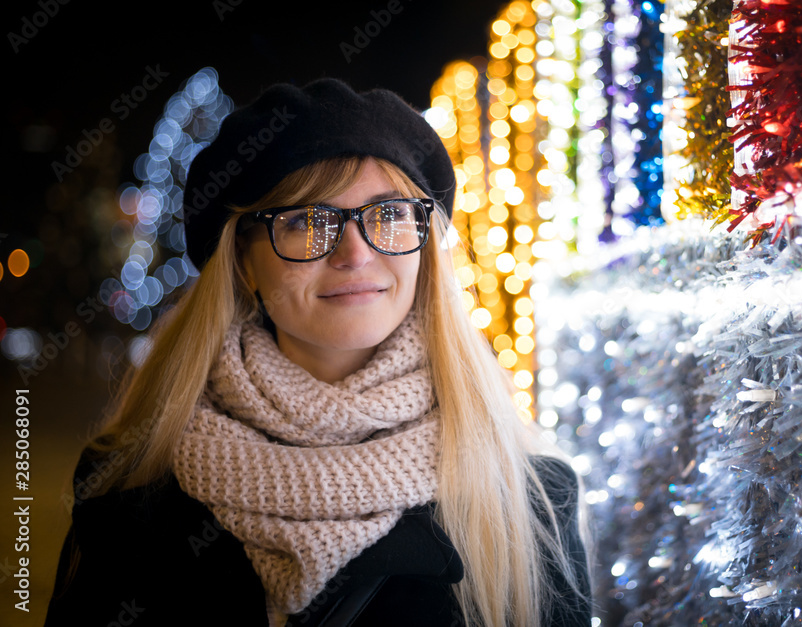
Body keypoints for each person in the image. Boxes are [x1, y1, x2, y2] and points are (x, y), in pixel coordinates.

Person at [44, 78, 592, 627]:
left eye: (389, 214)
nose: (355, 253)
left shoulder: (532, 502)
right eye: (307, 221)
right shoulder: (129, 491)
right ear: (242, 261)